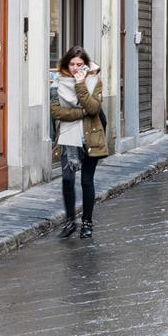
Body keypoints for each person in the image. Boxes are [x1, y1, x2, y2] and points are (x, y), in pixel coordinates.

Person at [50, 47, 109, 238]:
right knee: (67, 180)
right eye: (72, 64)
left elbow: (93, 108)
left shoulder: (94, 81)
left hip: (90, 137)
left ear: (85, 65)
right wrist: (80, 112)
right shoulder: (56, 83)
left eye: (80, 65)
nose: (76, 68)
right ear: (67, 64)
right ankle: (69, 222)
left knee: (86, 181)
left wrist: (80, 84)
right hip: (68, 138)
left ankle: (87, 223)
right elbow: (56, 112)